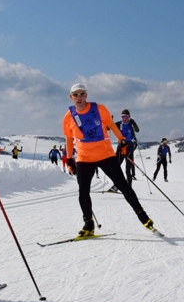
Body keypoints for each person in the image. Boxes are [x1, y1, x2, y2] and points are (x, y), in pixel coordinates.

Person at [62, 83, 154, 237]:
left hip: (105, 155)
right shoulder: (68, 117)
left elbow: (111, 124)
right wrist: (69, 159)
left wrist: (122, 140)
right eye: (76, 94)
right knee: (83, 191)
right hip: (84, 158)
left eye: (82, 94)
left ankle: (142, 215)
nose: (79, 97)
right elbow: (69, 138)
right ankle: (88, 224)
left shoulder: (99, 109)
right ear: (71, 97)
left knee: (123, 185)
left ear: (86, 95)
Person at [116, 109, 140, 185]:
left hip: (129, 147)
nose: (124, 119)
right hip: (121, 147)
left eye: (126, 117)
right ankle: (116, 185)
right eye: (123, 117)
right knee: (116, 167)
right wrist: (109, 120)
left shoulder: (131, 124)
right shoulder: (119, 124)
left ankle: (129, 187)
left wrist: (134, 123)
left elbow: (137, 130)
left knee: (128, 169)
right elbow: (108, 128)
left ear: (129, 117)